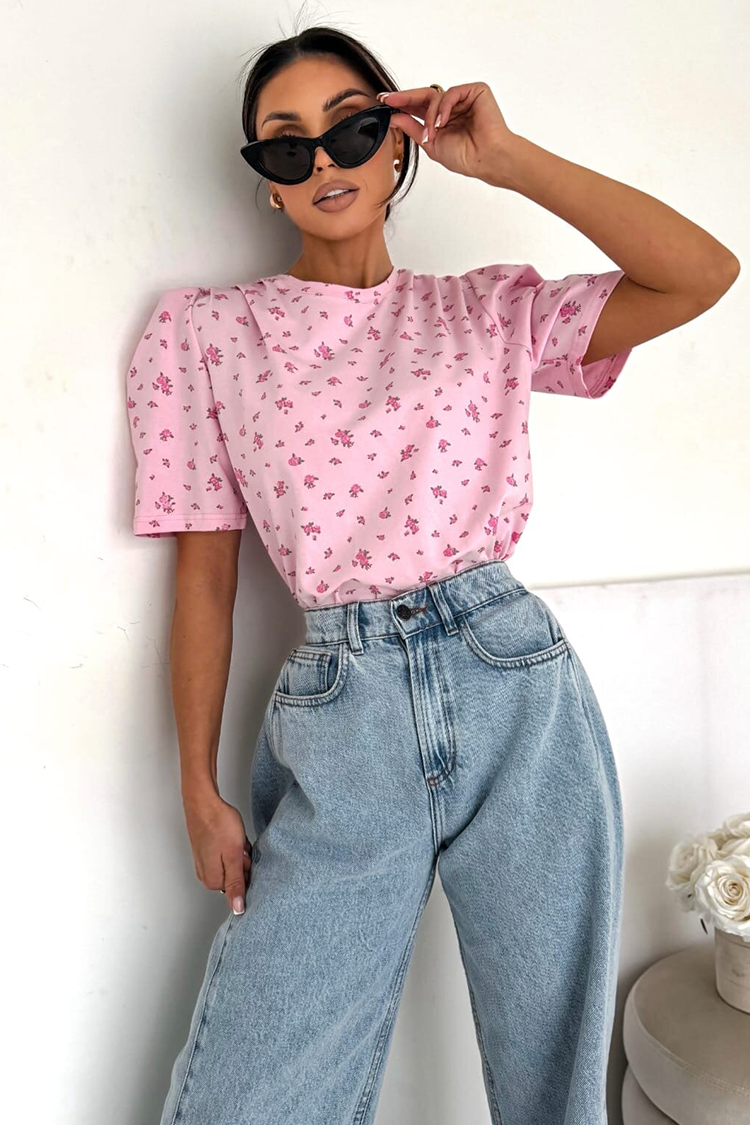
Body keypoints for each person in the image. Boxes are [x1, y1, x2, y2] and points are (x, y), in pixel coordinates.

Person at [125, 23, 739, 1125]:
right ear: (267, 181)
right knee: (246, 1099)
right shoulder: (211, 335)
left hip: (516, 690)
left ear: (398, 137)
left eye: (352, 128)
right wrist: (197, 789)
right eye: (287, 145)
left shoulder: (486, 312)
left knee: (552, 1084)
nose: (323, 160)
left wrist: (507, 159)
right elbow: (204, 579)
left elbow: (703, 273)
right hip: (342, 712)